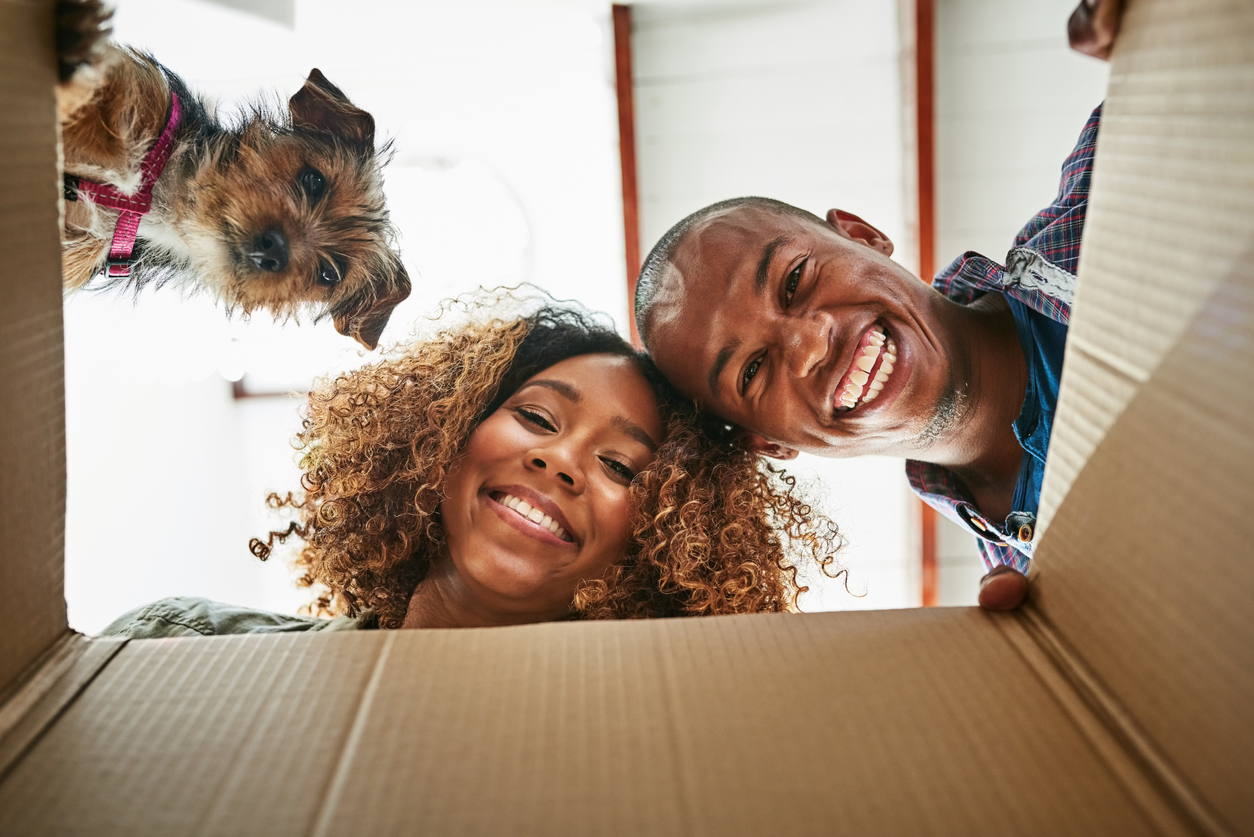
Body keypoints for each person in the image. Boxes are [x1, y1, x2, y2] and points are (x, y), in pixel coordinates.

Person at [631, 0, 1124, 612]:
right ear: (770, 443)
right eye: (753, 371)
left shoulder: (1116, 183)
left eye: (794, 281)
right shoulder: (1039, 597)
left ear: (863, 235)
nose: (811, 345)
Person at [103, 304, 841, 638]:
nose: (559, 459)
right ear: (443, 441)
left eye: (619, 464)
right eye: (538, 418)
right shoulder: (177, 642)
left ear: (662, 543)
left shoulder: (640, 783)